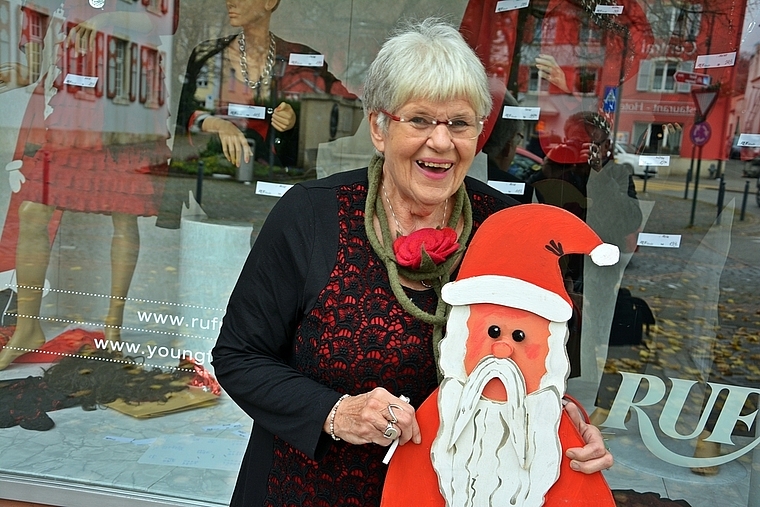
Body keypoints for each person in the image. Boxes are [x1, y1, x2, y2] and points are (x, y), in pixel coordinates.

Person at [212, 19, 613, 507]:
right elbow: (239, 356)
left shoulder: (503, 229)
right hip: (309, 491)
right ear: (380, 127)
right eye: (420, 120)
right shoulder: (311, 216)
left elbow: (538, 359)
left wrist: (566, 423)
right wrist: (335, 411)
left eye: (460, 123)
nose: (441, 143)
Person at [0, 0, 175, 370]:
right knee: (33, 209)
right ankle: (27, 328)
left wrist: (107, 19)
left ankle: (113, 328)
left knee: (123, 216)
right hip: (74, 108)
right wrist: (16, 74)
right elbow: (33, 62)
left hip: (128, 100)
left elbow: (166, 19)